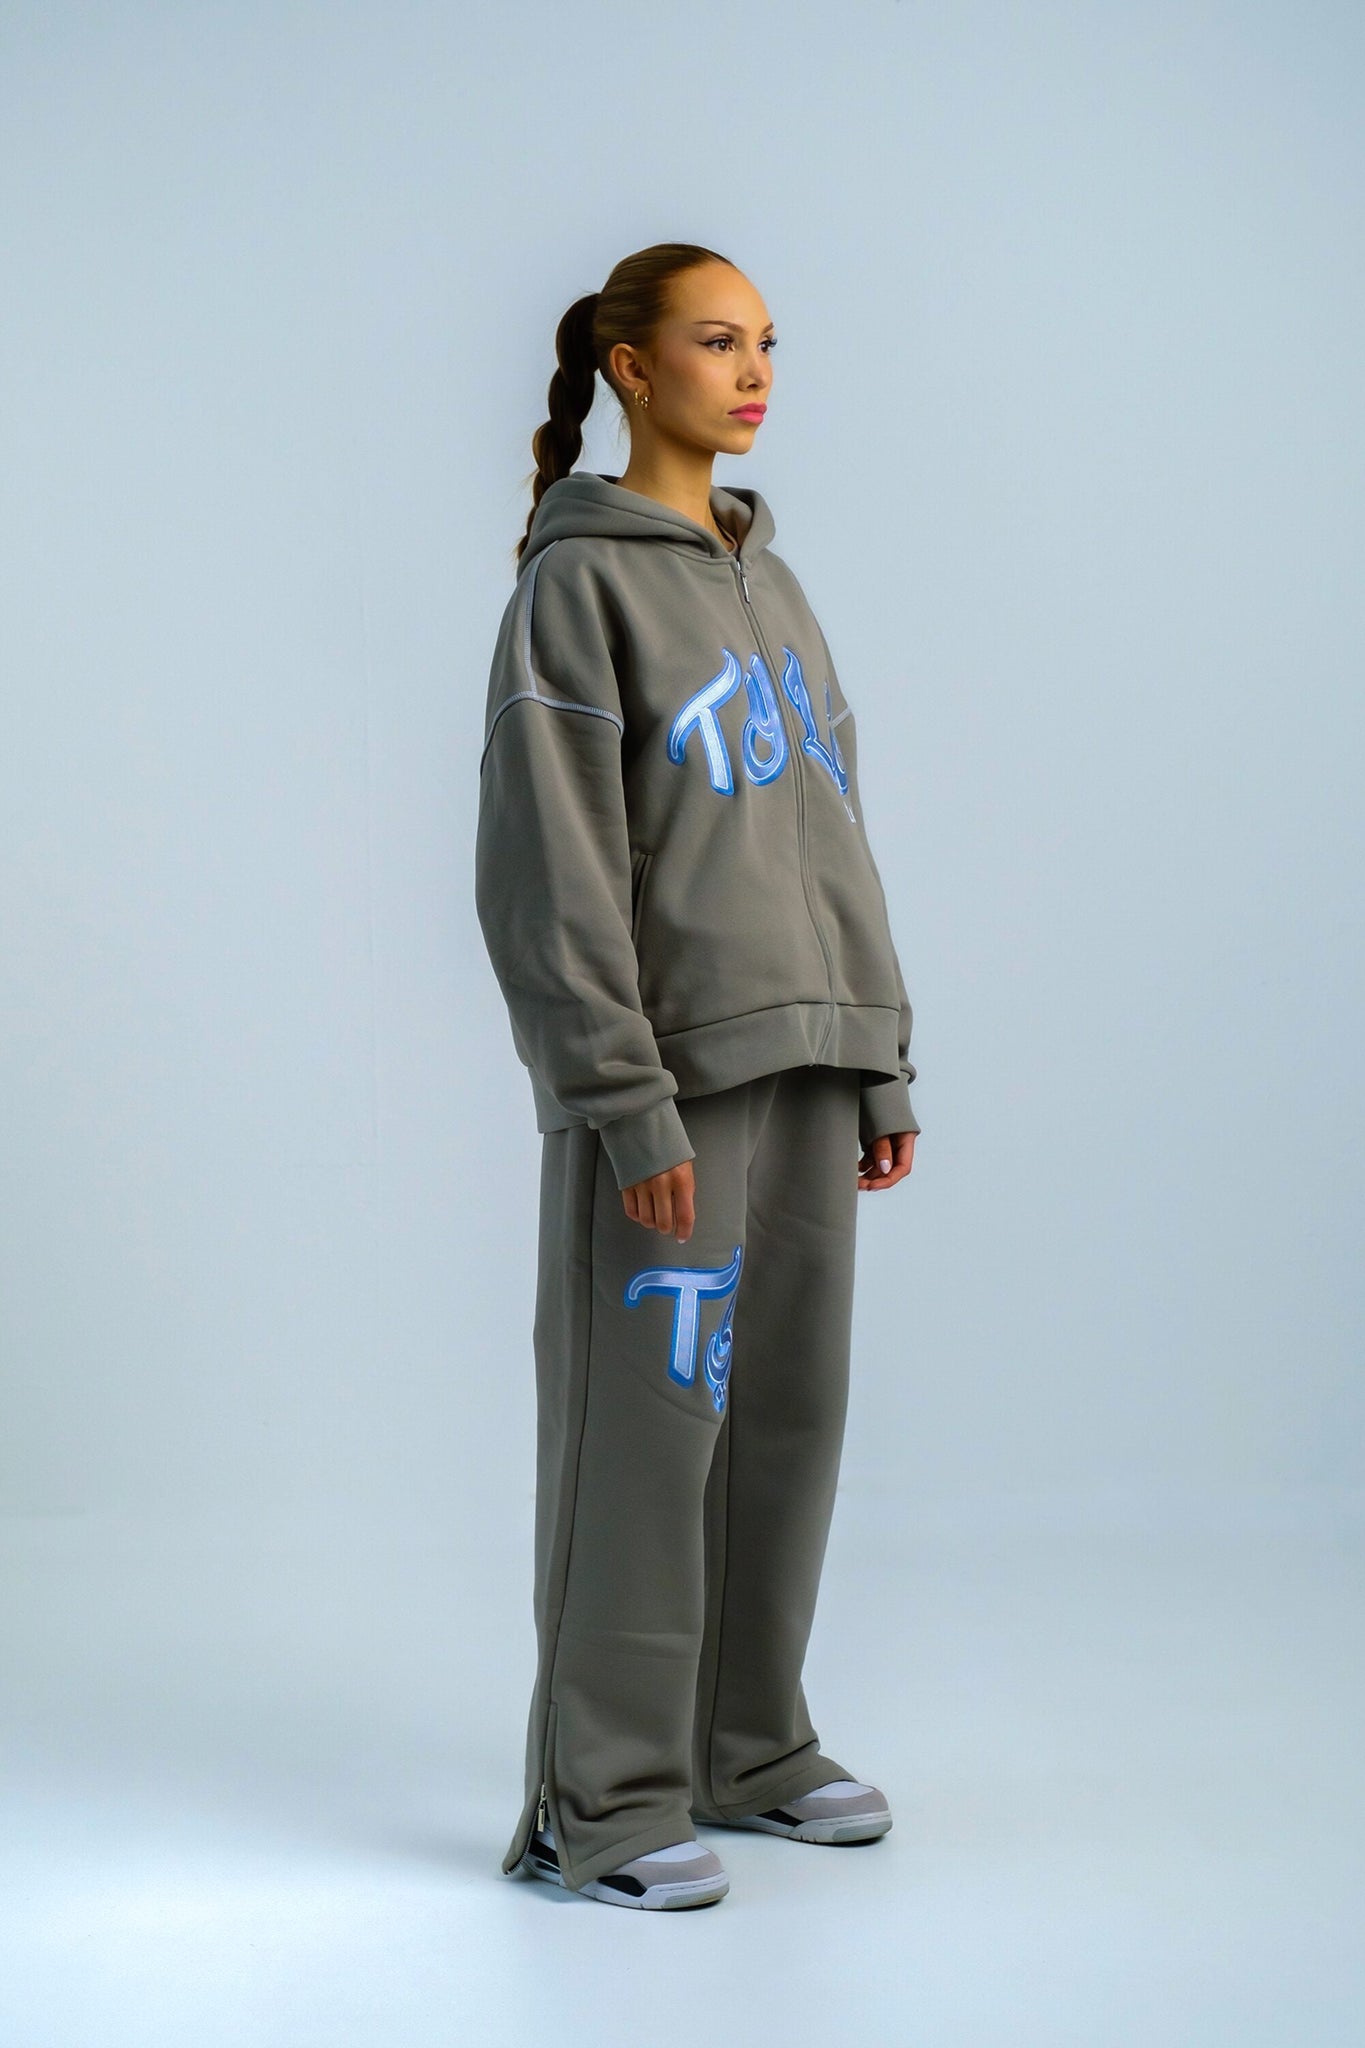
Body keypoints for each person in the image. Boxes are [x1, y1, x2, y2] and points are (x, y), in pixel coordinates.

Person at [474, 242, 922, 1911]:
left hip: (808, 1057)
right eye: (718, 343)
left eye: (767, 345)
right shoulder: (576, 586)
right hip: (670, 1081)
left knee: (784, 1417)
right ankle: (600, 1803)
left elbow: (832, 831)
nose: (754, 375)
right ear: (630, 367)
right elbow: (550, 867)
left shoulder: (768, 583)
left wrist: (877, 1054)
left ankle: (748, 1744)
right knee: (646, 1434)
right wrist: (617, 1093)